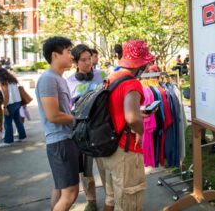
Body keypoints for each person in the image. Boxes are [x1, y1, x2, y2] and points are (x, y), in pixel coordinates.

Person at [101, 39, 155, 211]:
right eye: (146, 63)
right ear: (139, 64)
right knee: (129, 201)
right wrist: (140, 130)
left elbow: (117, 108)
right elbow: (132, 119)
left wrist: (138, 113)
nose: (147, 67)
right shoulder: (132, 83)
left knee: (112, 197)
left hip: (109, 146)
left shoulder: (112, 77)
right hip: (125, 149)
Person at [35, 36, 79, 211]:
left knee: (61, 190)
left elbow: (63, 111)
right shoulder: (48, 79)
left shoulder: (59, 78)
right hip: (60, 141)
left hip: (65, 139)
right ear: (55, 55)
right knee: (70, 193)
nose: (72, 56)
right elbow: (53, 116)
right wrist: (79, 118)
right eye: (68, 52)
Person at [66, 44, 106, 211]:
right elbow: (68, 108)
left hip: (102, 129)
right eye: (83, 60)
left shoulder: (101, 74)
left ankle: (111, 198)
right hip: (82, 131)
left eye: (90, 58)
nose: (88, 63)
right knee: (87, 170)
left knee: (105, 167)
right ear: (75, 61)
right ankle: (91, 201)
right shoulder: (69, 81)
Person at [0, 68, 27, 148]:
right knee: (17, 120)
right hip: (17, 102)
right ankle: (22, 137)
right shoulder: (12, 80)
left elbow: (6, 96)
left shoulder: (3, 82)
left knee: (7, 123)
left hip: (10, 104)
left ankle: (8, 141)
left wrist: (5, 107)